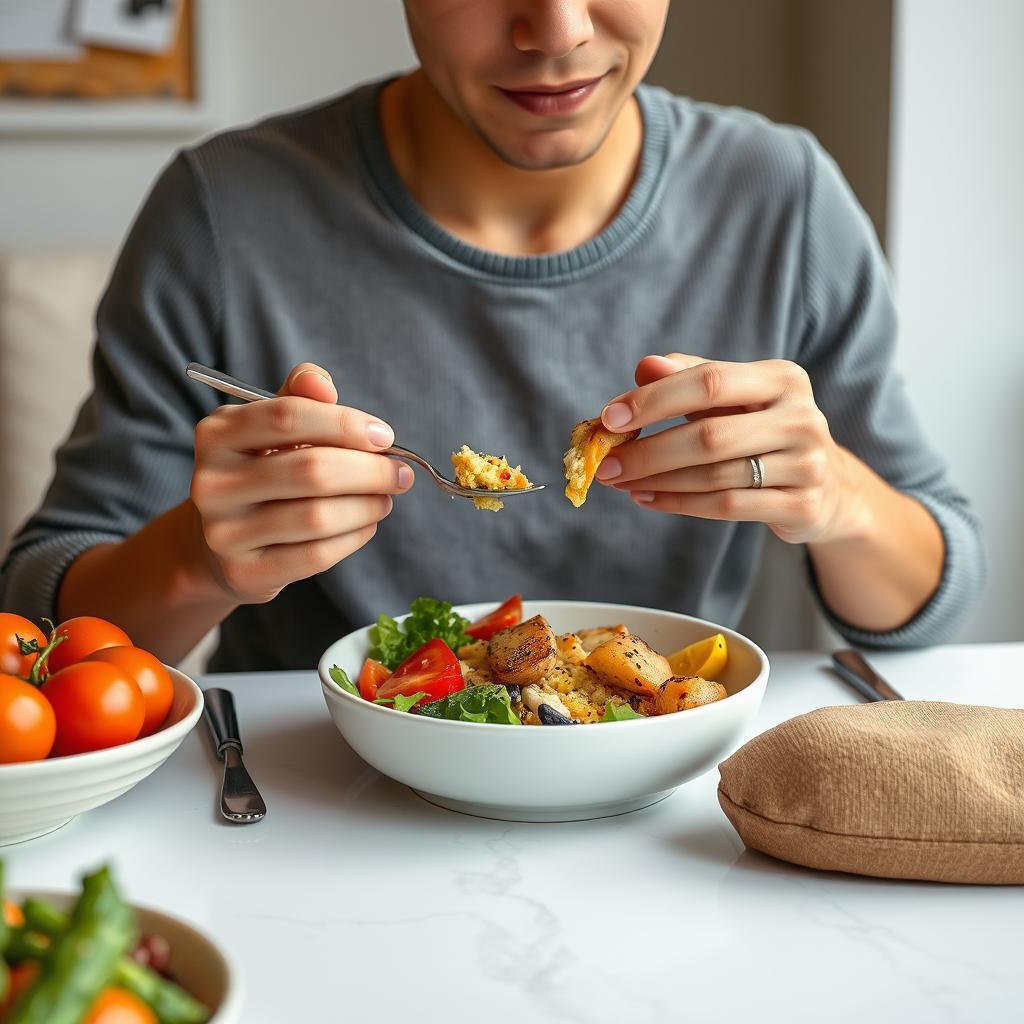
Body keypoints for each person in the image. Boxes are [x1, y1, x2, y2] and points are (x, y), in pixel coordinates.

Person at [0, 1, 984, 671]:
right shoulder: (222, 212)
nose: (554, 32)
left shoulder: (784, 197)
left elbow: (935, 594)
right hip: (307, 813)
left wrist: (837, 498)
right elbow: (40, 610)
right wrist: (198, 561)